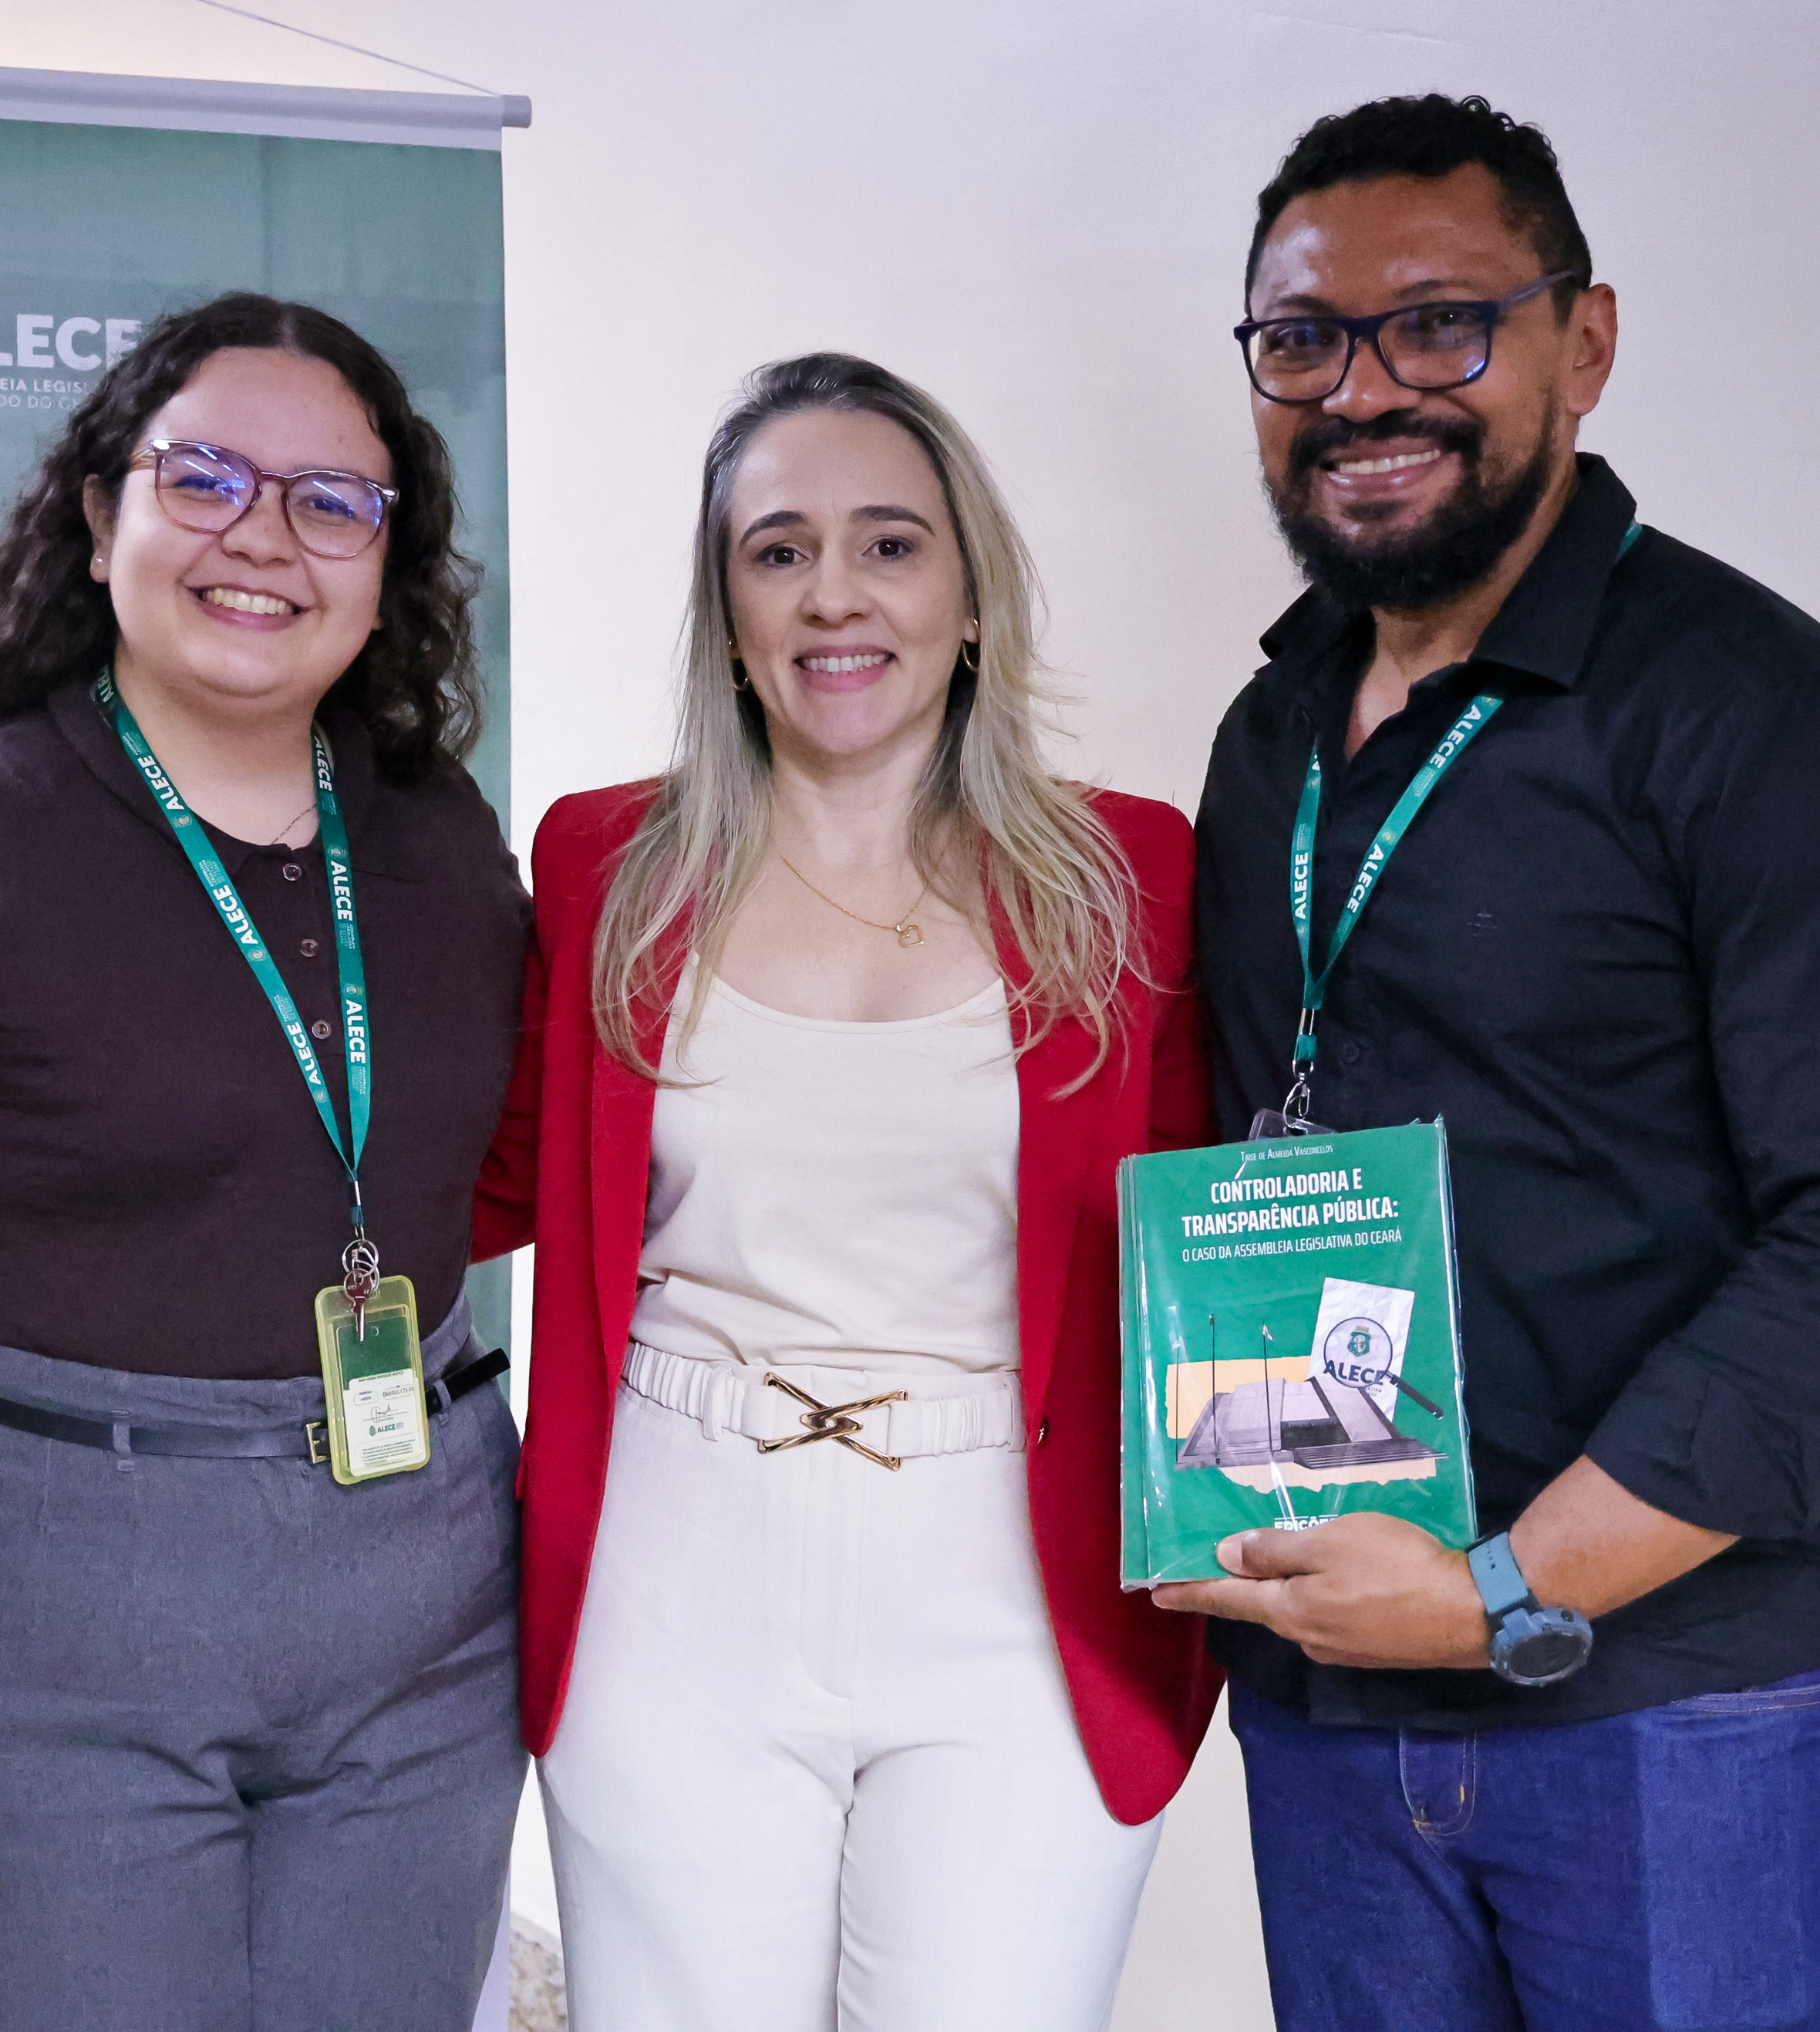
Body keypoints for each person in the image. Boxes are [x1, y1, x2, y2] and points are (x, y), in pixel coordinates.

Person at [1161, 96, 1820, 2032]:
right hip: (1330, 1691)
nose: (1365, 388)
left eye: (1439, 323)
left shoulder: (1774, 723)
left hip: (1675, 1707)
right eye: (1303, 338)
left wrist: (1500, 1590)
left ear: (1585, 341)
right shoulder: (1273, 735)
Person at [0, 294, 531, 2032]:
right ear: (101, 520)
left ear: (387, 567)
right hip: (52, 1602)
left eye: (332, 502)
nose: (264, 537)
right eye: (205, 478)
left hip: (425, 1600)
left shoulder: (438, 830)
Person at [474, 354, 1220, 2031]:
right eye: (778, 550)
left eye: (889, 544)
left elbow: (1202, 1240)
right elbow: (489, 1173)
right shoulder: (605, 864)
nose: (833, 595)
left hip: (1016, 1573)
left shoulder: (1130, 876)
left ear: (972, 598)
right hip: (672, 1555)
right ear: (725, 612)